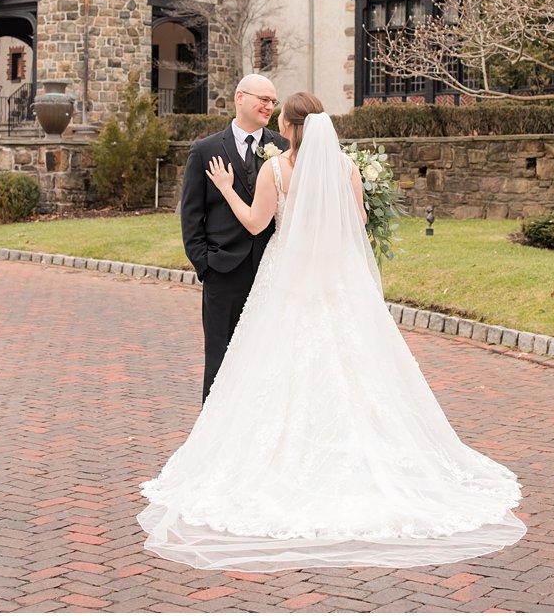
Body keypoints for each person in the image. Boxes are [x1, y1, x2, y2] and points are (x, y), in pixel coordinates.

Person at [141, 94, 527, 571]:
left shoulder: (275, 170)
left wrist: (226, 187)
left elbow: (257, 223)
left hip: (288, 279)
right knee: (356, 362)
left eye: (281, 116)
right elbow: (358, 222)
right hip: (339, 281)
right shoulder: (346, 167)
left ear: (289, 125)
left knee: (278, 365)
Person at [178, 74, 289, 402]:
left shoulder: (282, 148)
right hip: (223, 273)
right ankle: (212, 435)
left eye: (273, 101)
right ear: (240, 97)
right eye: (263, 99)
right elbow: (191, 216)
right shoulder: (205, 150)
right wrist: (206, 266)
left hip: (271, 272)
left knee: (268, 355)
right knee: (220, 358)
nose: (269, 106)